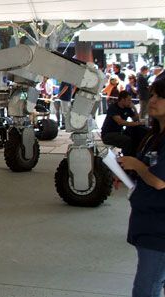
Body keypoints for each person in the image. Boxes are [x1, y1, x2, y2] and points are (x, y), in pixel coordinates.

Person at [117, 77, 165, 297]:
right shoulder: (153, 135)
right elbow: (147, 170)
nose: (153, 100)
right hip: (147, 224)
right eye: (153, 95)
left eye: (160, 96)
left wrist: (137, 165)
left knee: (146, 289)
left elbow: (158, 180)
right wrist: (129, 172)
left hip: (159, 230)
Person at [101, 91, 148, 156]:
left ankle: (133, 156)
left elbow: (136, 119)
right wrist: (137, 123)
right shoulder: (113, 107)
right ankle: (126, 157)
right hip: (108, 134)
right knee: (127, 140)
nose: (130, 102)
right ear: (123, 100)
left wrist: (134, 108)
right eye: (129, 100)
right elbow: (120, 122)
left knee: (135, 137)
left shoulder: (127, 108)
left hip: (119, 132)